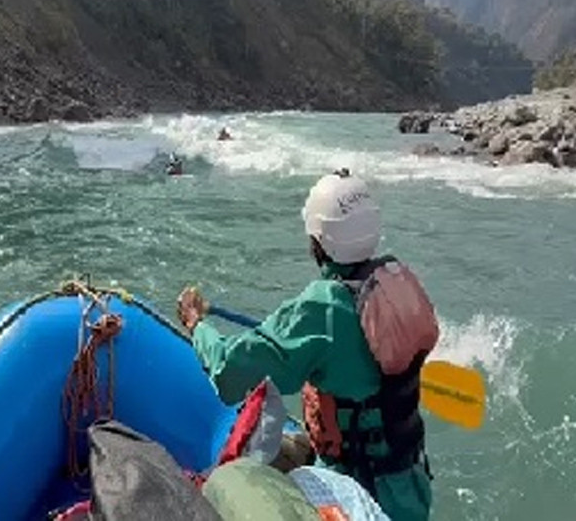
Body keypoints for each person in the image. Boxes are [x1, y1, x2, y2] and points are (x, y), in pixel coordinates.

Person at [176, 169, 438, 521]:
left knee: (230, 479)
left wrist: (197, 326)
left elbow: (228, 373)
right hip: (409, 482)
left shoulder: (321, 308)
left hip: (357, 490)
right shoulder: (393, 279)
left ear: (318, 241)